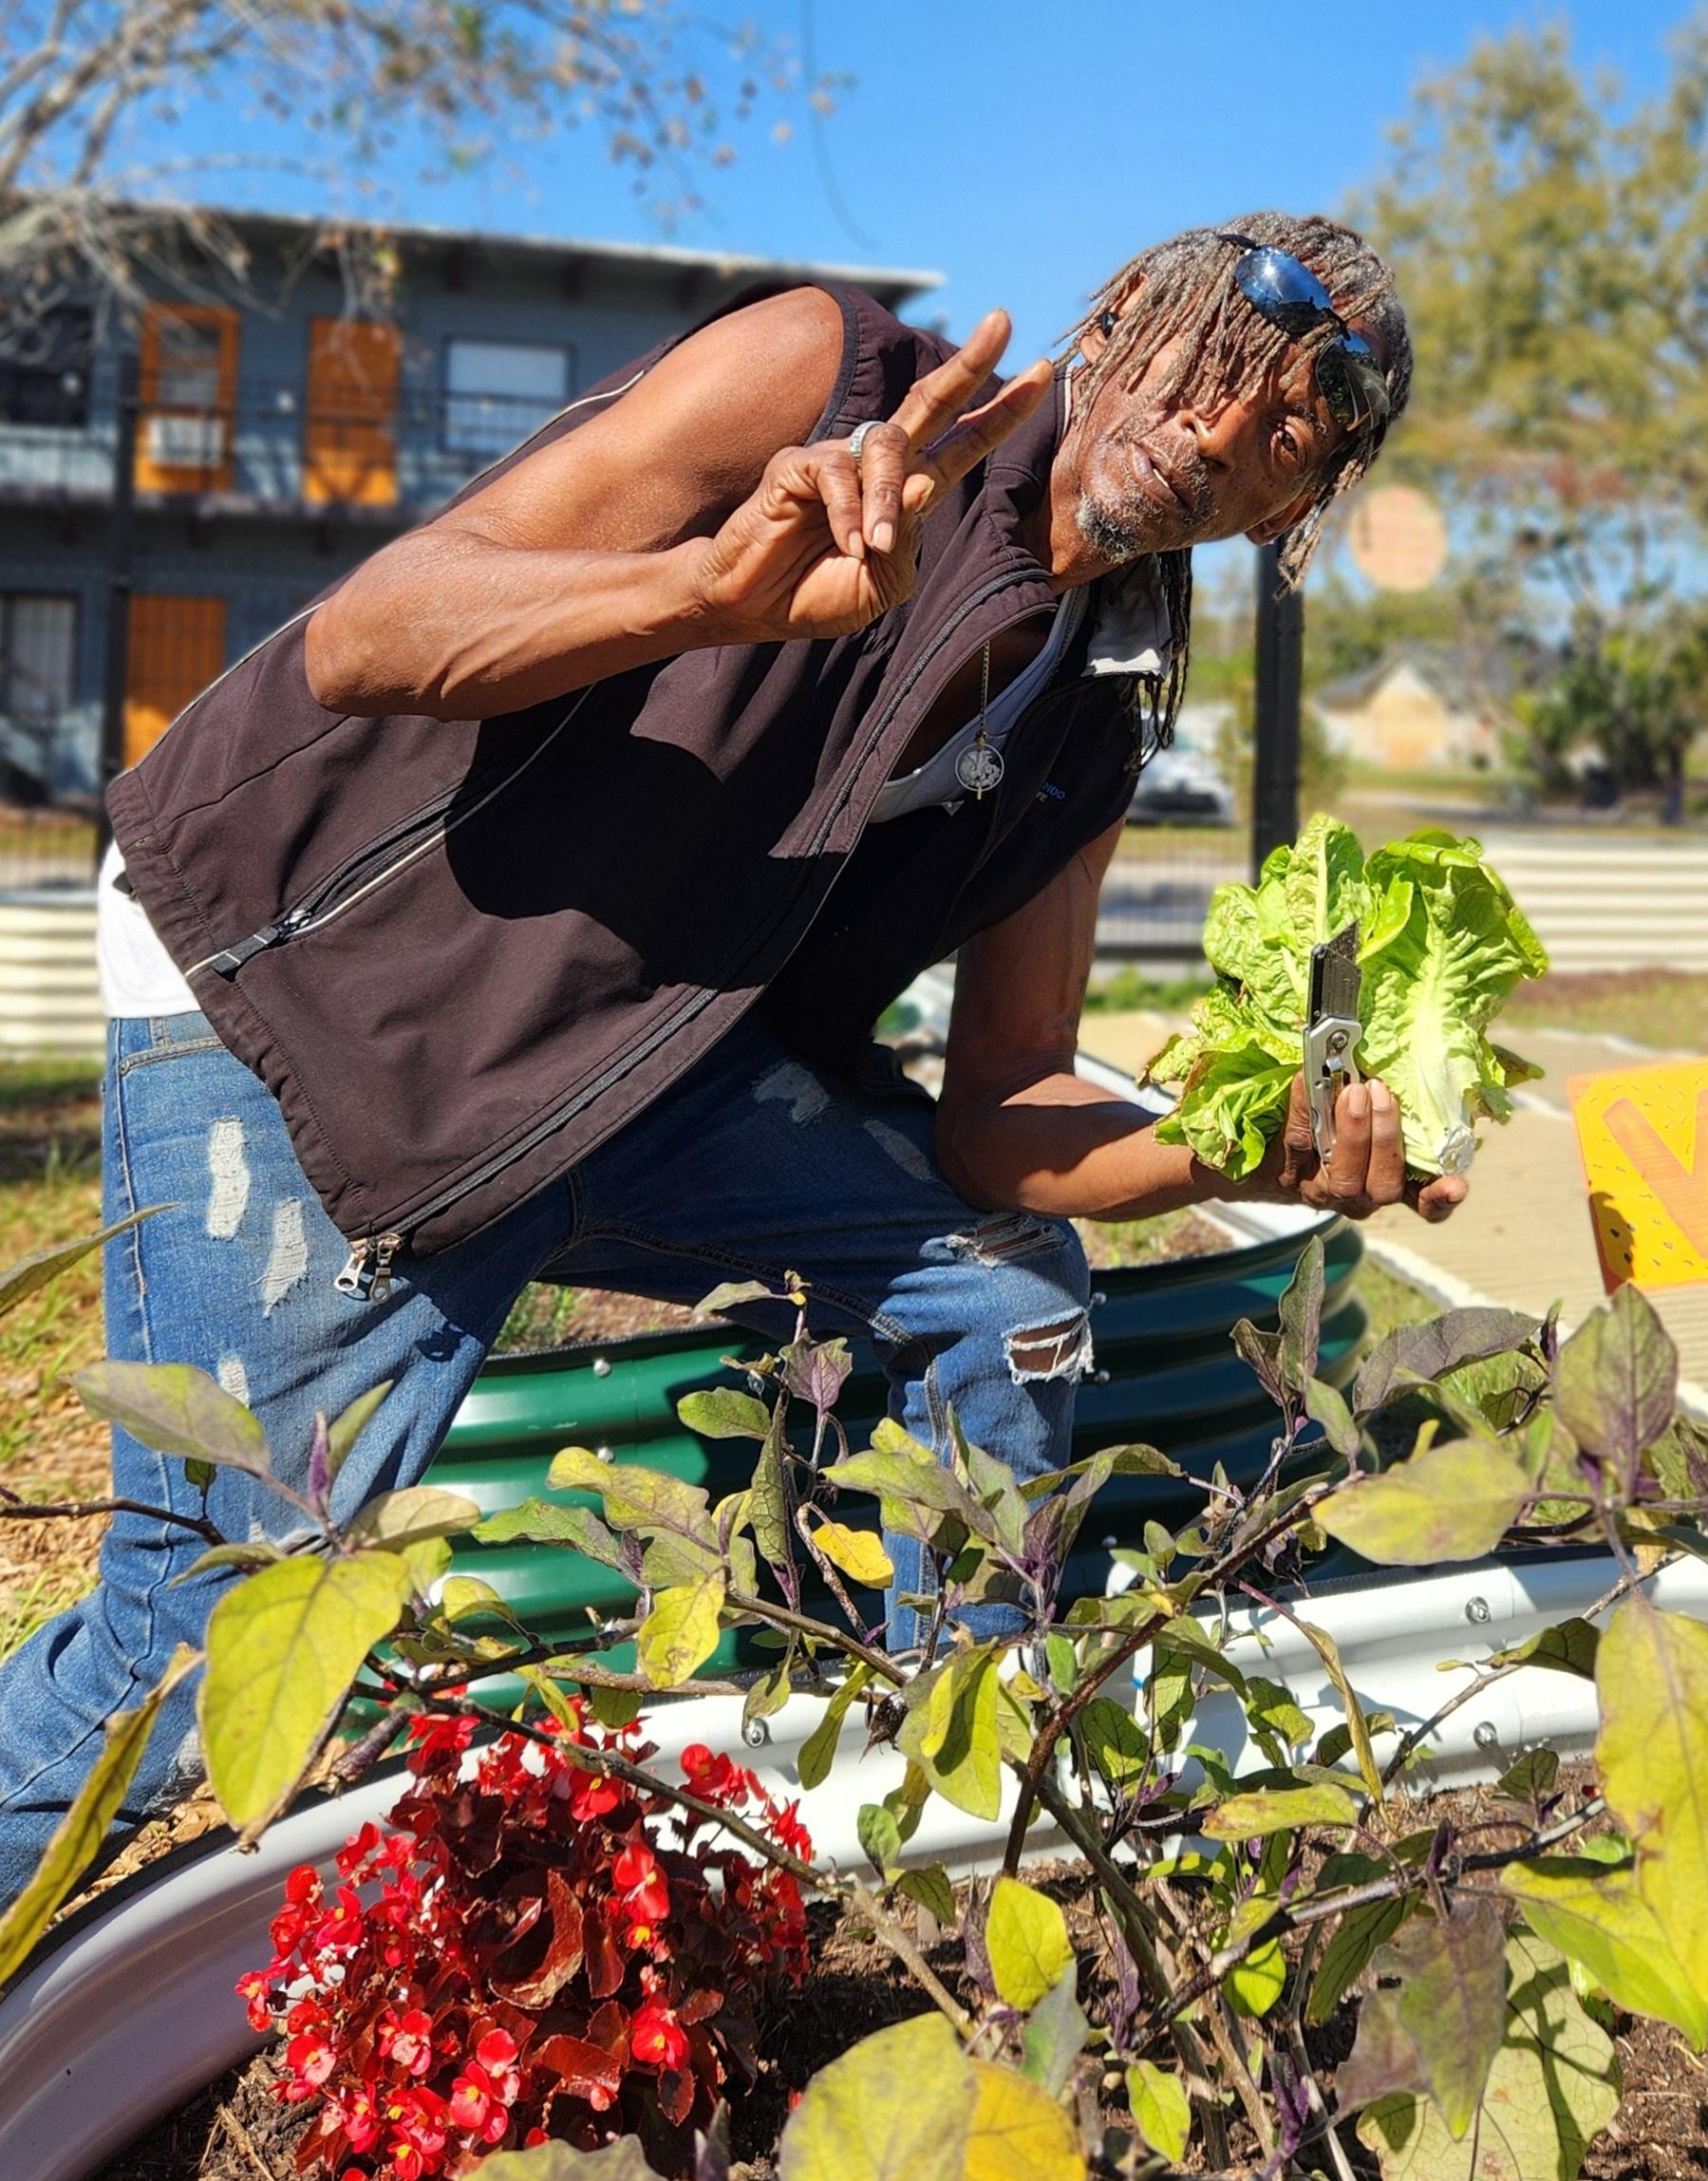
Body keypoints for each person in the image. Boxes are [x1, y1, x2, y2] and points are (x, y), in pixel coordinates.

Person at [0, 211, 1464, 1904]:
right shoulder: (829, 374)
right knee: (200, 1650)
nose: (1217, 435)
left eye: (1286, 434)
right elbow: (370, 639)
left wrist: (1237, 1142)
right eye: (1216, 366)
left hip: (636, 1042)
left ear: (1299, 511)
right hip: (318, 977)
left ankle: (906, 1840)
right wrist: (702, 596)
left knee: (1003, 1286)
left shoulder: (1103, 694)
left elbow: (1002, 1109)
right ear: (1126, 310)